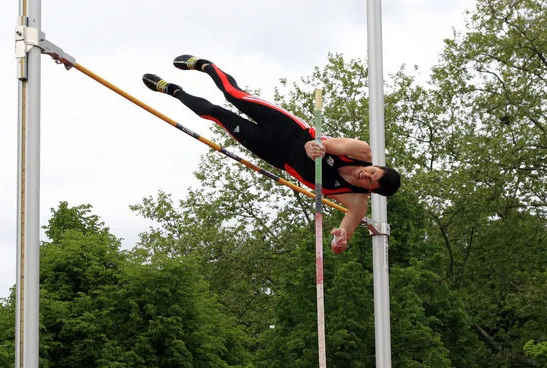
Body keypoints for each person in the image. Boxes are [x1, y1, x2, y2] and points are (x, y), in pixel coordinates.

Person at [142, 55, 401, 254]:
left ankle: (173, 91)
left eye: (369, 181)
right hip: (289, 129)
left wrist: (338, 239)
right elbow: (324, 144)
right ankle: (206, 66)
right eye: (372, 171)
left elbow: (339, 241)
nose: (365, 174)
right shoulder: (362, 151)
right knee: (233, 95)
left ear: (371, 191)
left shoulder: (356, 202)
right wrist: (314, 147)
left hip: (276, 154)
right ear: (375, 165)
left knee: (216, 115)